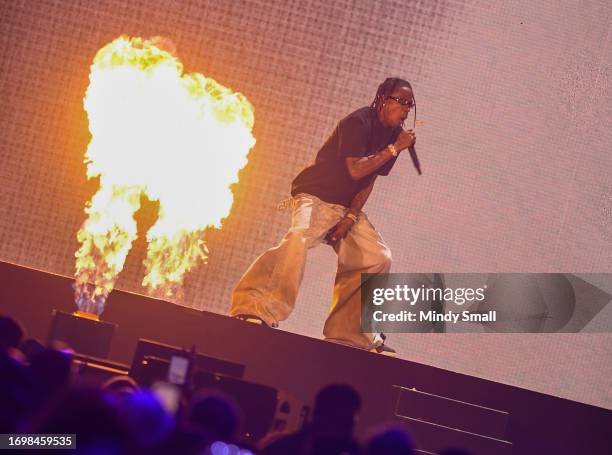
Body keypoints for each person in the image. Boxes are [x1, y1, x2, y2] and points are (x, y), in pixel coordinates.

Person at [230, 77, 417, 353]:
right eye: (400, 102)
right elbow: (355, 170)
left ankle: (350, 334)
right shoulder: (357, 123)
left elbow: (369, 179)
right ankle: (254, 307)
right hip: (315, 196)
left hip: (344, 207)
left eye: (409, 105)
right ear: (382, 99)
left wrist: (350, 217)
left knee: (378, 257)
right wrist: (394, 149)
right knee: (298, 238)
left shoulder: (393, 135)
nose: (404, 110)